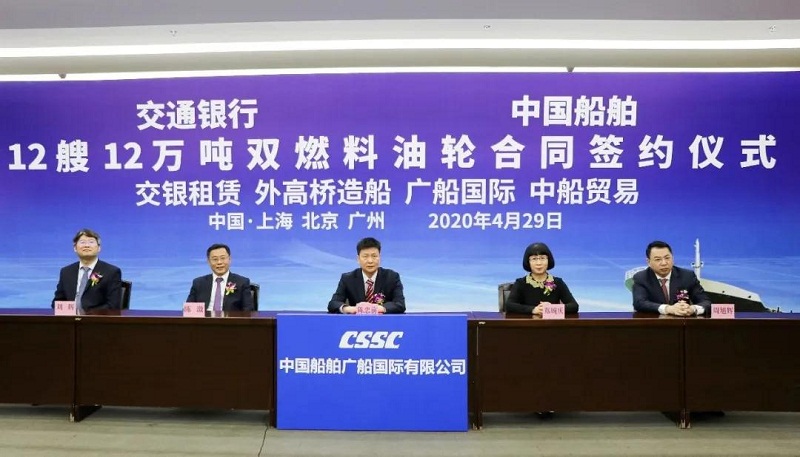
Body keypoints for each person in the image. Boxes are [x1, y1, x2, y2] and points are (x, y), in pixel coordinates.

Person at [327, 237, 406, 314]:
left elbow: (400, 304)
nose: (370, 261)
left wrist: (378, 308)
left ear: (379, 257)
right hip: (356, 321)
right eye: (365, 256)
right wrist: (351, 309)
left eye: (374, 256)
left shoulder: (392, 277)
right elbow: (333, 303)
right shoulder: (348, 278)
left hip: (383, 322)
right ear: (358, 259)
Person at [632, 240, 711, 316]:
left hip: (681, 322)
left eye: (667, 258)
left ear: (672, 258)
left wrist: (693, 309)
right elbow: (639, 303)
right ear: (648, 262)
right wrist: (668, 309)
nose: (664, 263)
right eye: (658, 259)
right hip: (654, 323)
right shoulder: (641, 278)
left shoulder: (687, 276)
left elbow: (706, 302)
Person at [52, 228, 122, 310]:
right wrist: (71, 313)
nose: (87, 245)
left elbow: (113, 305)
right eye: (82, 242)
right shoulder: (66, 272)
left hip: (96, 317)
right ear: (75, 248)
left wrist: (87, 315)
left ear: (99, 248)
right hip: (70, 317)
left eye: (91, 242)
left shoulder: (111, 272)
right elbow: (57, 302)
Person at [506, 242, 579, 315]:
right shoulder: (520, 283)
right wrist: (533, 309)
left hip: (552, 321)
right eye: (534, 259)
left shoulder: (558, 282)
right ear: (528, 262)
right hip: (528, 322)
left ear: (548, 260)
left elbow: (574, 306)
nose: (539, 263)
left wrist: (552, 308)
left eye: (542, 258)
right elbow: (509, 305)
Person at [186, 243, 254, 312]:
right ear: (208, 262)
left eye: (223, 258)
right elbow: (188, 310)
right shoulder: (198, 283)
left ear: (230, 259)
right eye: (215, 259)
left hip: (230, 318)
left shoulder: (242, 282)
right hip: (204, 318)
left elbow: (248, 311)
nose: (219, 262)